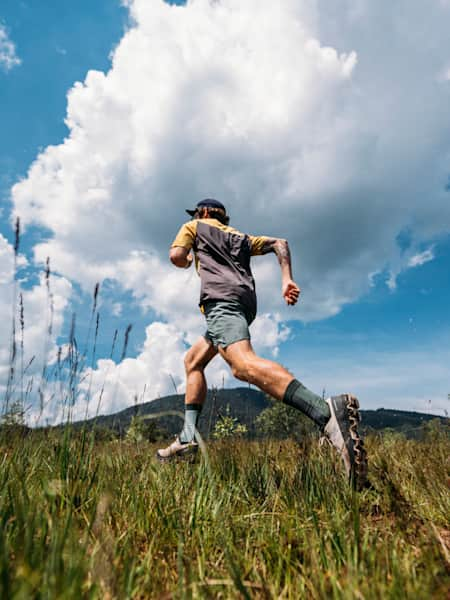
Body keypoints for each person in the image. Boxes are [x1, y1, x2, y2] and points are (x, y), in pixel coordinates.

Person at [157, 199, 367, 488]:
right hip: (244, 303)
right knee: (193, 361)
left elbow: (177, 256)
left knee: (242, 365)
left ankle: (325, 412)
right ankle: (188, 437)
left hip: (221, 303)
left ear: (203, 213)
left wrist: (186, 256)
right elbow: (279, 243)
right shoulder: (241, 237)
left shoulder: (193, 226)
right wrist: (286, 279)